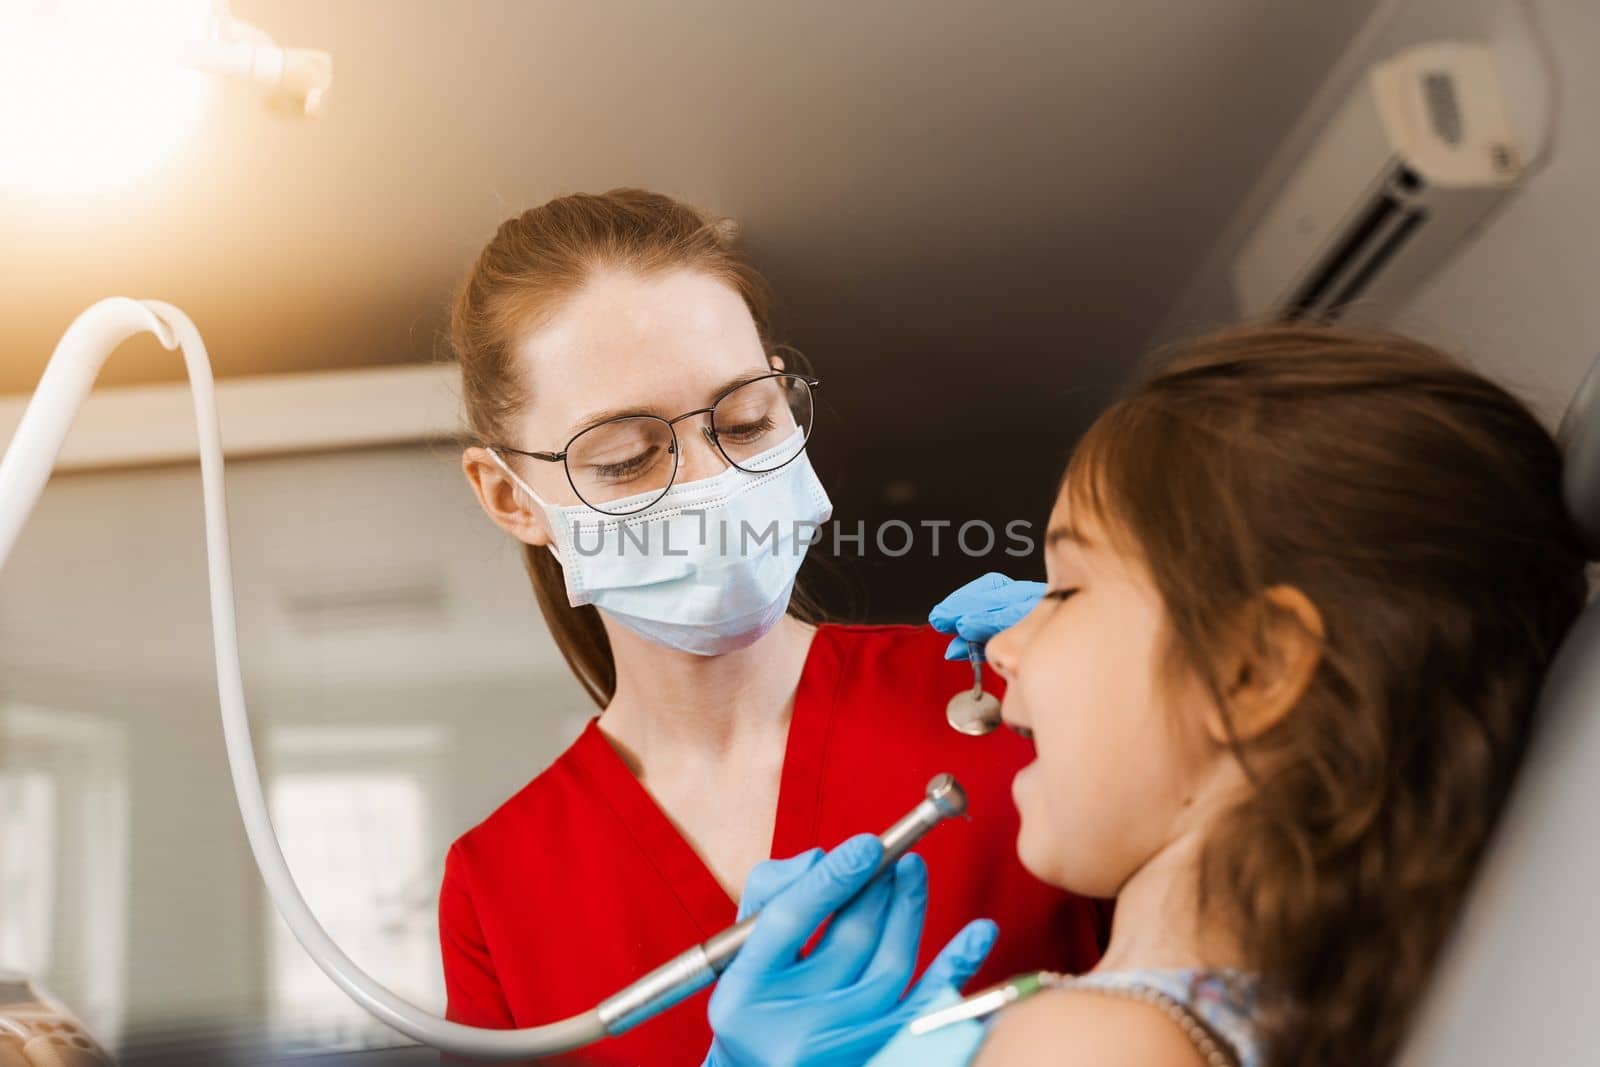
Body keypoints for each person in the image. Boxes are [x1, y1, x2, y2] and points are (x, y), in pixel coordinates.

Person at [706, 324, 1589, 1067]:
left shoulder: (1093, 1045)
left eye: (1067, 589)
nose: (1005, 645)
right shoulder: (1163, 1023)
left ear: (1252, 670)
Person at [438, 188, 1106, 1065]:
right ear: (507, 497)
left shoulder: (1017, 698)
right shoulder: (503, 889)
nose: (715, 485)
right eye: (627, 456)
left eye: (747, 419)